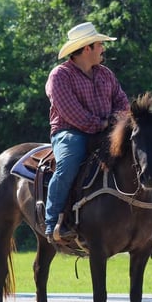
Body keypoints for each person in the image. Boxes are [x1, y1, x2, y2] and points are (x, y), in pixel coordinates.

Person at [44, 22, 130, 243]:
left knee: (135, 155)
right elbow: (72, 113)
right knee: (69, 162)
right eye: (100, 44)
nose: (103, 48)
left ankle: (139, 222)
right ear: (86, 49)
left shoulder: (106, 74)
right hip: (69, 133)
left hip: (105, 130)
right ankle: (53, 222)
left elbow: (122, 102)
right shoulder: (59, 76)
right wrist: (103, 124)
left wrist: (117, 122)